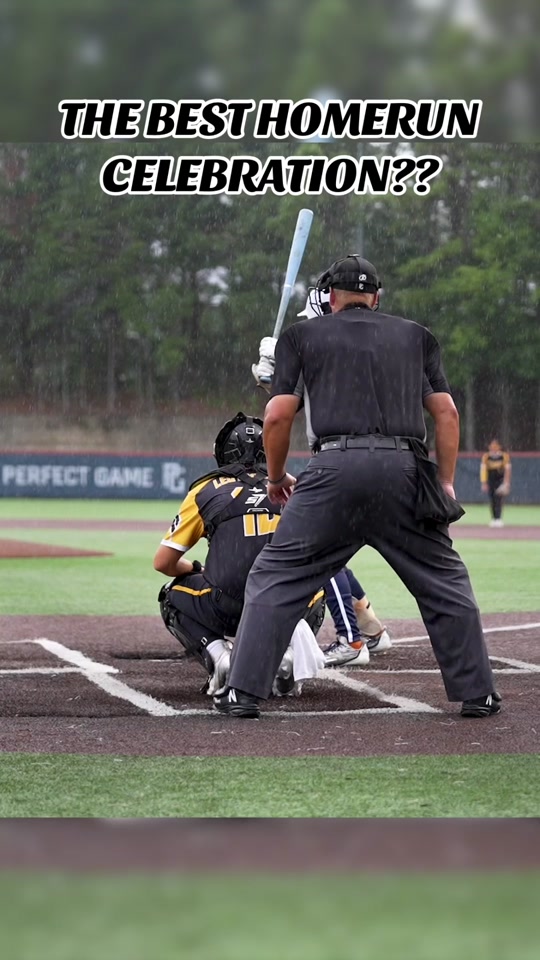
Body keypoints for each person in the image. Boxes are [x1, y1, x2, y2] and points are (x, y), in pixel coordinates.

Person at [215, 254, 500, 720]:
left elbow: (278, 415)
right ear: (377, 296)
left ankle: (244, 692)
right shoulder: (416, 335)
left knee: (276, 577)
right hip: (404, 470)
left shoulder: (302, 336)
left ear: (329, 297)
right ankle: (478, 693)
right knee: (445, 581)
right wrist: (444, 482)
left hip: (333, 471)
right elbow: (447, 414)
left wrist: (275, 476)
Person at [255, 293, 392, 668]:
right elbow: (305, 396)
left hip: (341, 465)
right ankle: (369, 626)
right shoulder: (366, 344)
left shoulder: (326, 346)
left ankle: (351, 639)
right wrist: (276, 373)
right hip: (385, 462)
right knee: (336, 551)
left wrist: (280, 366)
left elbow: (290, 406)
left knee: (317, 552)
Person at [153, 411, 325, 703]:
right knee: (317, 587)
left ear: (222, 452)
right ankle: (285, 655)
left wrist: (196, 568)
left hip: (225, 606)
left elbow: (163, 563)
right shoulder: (293, 488)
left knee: (170, 596)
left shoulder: (205, 490)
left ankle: (220, 657)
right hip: (280, 606)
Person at [480, 438, 511, 528]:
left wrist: (506, 482)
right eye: (492, 446)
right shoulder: (486, 456)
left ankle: (498, 518)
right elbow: (483, 470)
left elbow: (508, 469)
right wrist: (484, 482)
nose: (493, 448)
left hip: (500, 480)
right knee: (492, 499)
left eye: (495, 446)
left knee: (499, 499)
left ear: (499, 447)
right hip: (491, 480)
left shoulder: (504, 456)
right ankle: (493, 518)